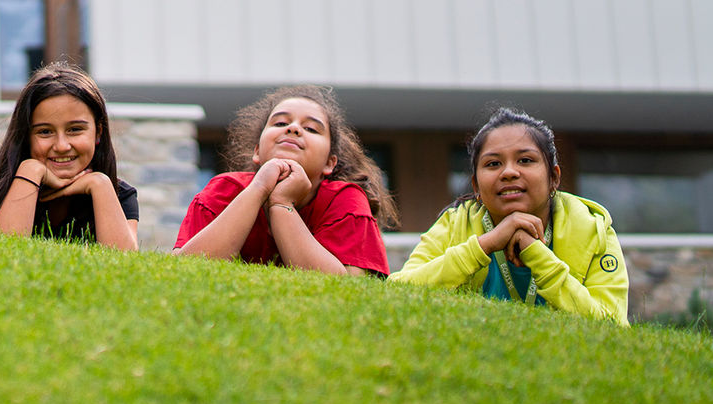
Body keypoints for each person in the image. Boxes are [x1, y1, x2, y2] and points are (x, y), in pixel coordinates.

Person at [390, 108, 629, 325]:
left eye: (525, 160)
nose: (509, 172)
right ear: (476, 185)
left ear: (554, 177)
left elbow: (611, 324)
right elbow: (396, 294)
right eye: (493, 164)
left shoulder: (592, 227)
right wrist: (485, 245)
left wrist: (534, 251)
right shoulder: (455, 224)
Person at [174, 85, 395, 276]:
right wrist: (259, 189)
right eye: (280, 123)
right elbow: (186, 269)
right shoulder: (224, 190)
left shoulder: (345, 199)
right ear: (258, 152)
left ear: (329, 163)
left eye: (311, 128)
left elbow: (346, 285)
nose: (293, 128)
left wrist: (281, 204)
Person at [0, 64, 139, 251]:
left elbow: (124, 264)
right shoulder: (5, 185)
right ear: (26, 137)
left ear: (98, 132)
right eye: (45, 132)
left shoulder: (119, 194)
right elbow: (0, 254)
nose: (61, 146)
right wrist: (31, 170)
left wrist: (99, 184)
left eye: (75, 129)